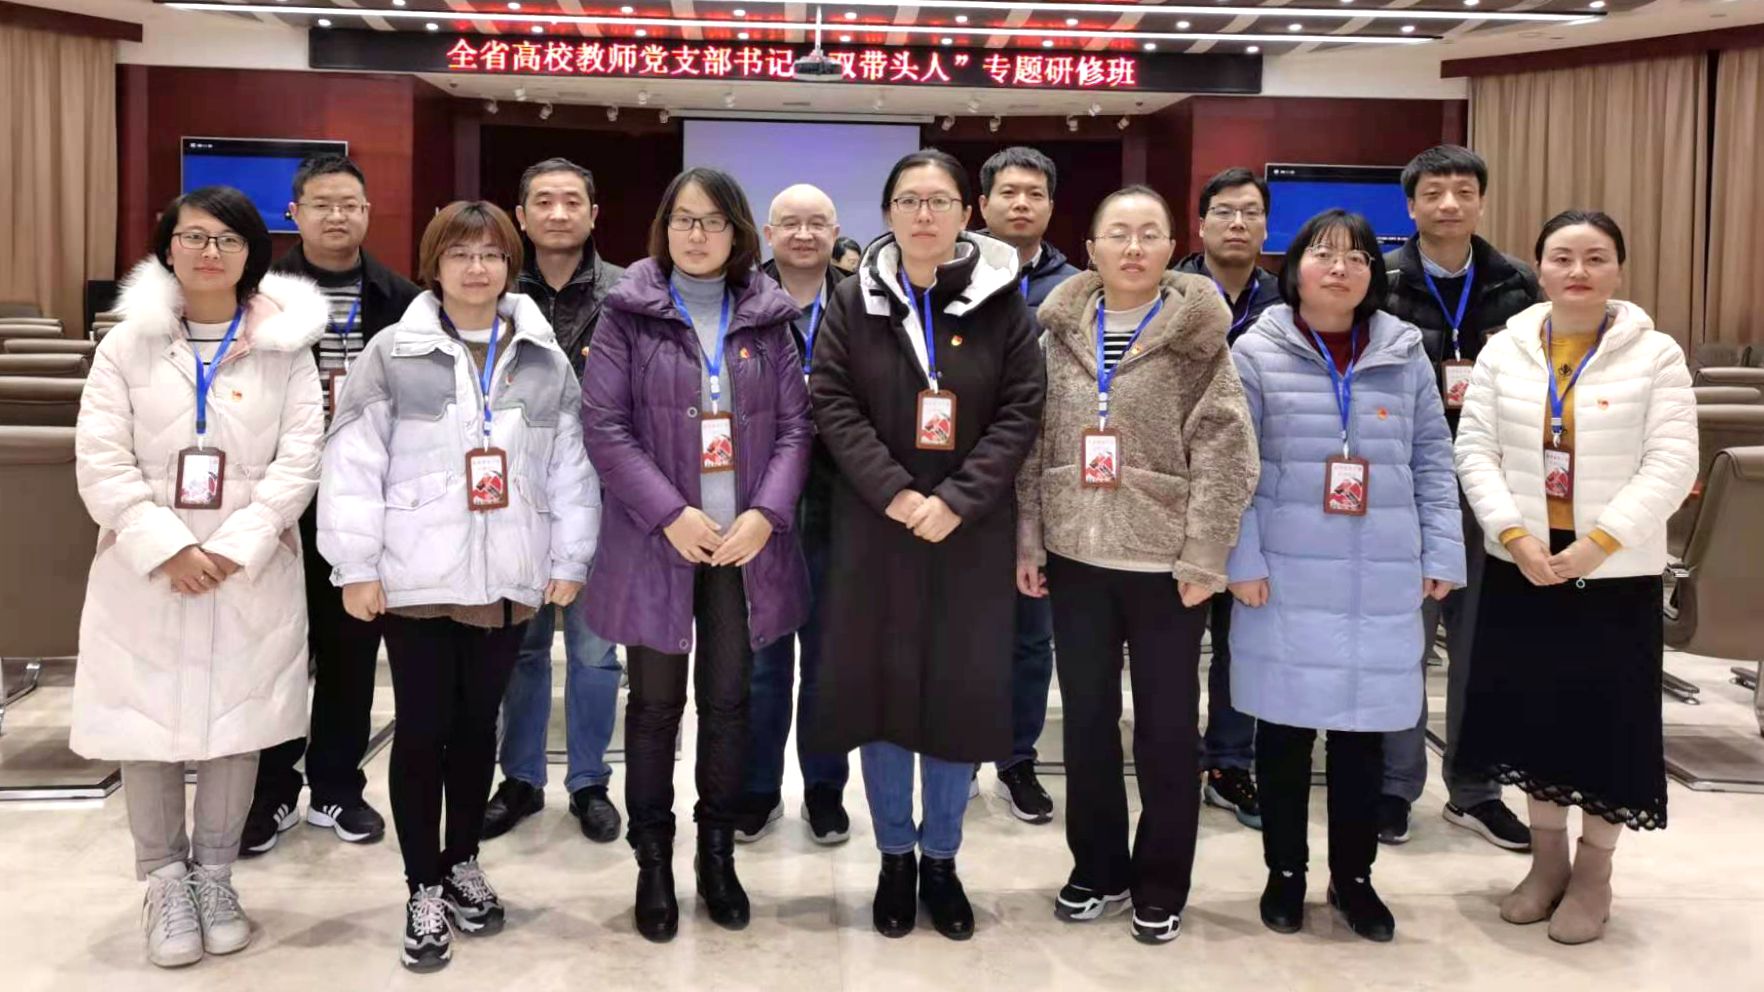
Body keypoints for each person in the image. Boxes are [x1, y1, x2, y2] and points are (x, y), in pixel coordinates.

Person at [319, 200, 598, 972]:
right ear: (433, 265)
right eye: (460, 254)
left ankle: (462, 860)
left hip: (506, 574)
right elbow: (351, 464)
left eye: (491, 254)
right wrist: (356, 566)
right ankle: (422, 887)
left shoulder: (544, 357)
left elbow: (570, 468)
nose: (477, 268)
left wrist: (570, 558)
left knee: (479, 731)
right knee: (422, 729)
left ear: (510, 265)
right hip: (414, 575)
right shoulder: (391, 352)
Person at [72, 186, 326, 967]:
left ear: (253, 253)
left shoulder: (286, 347)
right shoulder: (126, 345)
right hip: (146, 567)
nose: (210, 252)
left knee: (236, 724)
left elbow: (300, 461)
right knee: (144, 723)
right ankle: (163, 881)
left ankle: (215, 876)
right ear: (168, 247)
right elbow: (101, 459)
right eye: (194, 237)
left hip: (247, 566)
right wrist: (168, 548)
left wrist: (237, 546)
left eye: (228, 239)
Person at [809, 149, 1045, 940]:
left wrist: (958, 500)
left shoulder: (1004, 302)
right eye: (909, 200)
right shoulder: (854, 299)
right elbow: (832, 402)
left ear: (965, 215)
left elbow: (1022, 410)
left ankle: (942, 859)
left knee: (957, 695)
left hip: (970, 537)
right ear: (887, 213)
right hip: (875, 529)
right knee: (881, 696)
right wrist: (899, 493)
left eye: (939, 201)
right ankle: (895, 859)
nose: (923, 214)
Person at [1016, 185, 1258, 943]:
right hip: (1075, 556)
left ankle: (1161, 880)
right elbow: (1032, 444)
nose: (1132, 247)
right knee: (1087, 723)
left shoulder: (1198, 339)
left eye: (1148, 233)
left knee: (1166, 729)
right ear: (1090, 249)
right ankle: (1097, 868)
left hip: (1166, 567)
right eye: (1117, 233)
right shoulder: (1056, 335)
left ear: (1170, 249)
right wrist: (1029, 537)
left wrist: (1206, 554)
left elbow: (1227, 452)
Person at [580, 168, 812, 943]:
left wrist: (765, 514)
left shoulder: (768, 318)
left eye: (712, 221)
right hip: (659, 543)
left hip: (742, 548)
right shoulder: (628, 314)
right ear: (664, 228)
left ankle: (718, 857)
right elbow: (605, 427)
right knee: (652, 709)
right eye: (683, 219)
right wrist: (669, 513)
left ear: (737, 231)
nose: (697, 234)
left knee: (729, 703)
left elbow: (796, 429)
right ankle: (653, 862)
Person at [1453, 210, 1696, 946]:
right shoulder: (1506, 350)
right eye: (1562, 257)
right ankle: (1547, 862)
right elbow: (1475, 450)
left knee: (1605, 729)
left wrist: (1598, 545)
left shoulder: (1655, 354)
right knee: (1533, 720)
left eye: (1595, 257)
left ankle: (1594, 872)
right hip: (1523, 568)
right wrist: (1514, 536)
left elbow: (1671, 463)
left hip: (1612, 576)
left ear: (1618, 268)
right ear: (1539, 268)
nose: (1578, 271)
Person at [1226, 208, 1465, 944]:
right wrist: (1242, 559)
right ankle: (1285, 872)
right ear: (1294, 267)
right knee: (1284, 730)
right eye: (1324, 255)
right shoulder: (1254, 351)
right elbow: (1233, 469)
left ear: (1373, 274)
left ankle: (1354, 878)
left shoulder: (1403, 350)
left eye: (1357, 257)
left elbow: (1433, 459)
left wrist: (1442, 551)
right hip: (1284, 571)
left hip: (1381, 571)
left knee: (1364, 735)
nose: (1341, 268)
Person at [242, 154, 420, 858]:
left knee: (351, 651)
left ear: (368, 213)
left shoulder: (402, 299)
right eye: (321, 203)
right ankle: (270, 789)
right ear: (295, 213)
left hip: (363, 500)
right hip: (277, 497)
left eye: (349, 204)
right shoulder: (260, 297)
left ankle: (337, 787)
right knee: (277, 651)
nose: (337, 215)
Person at [1378, 145, 1542, 850]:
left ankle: (1476, 791)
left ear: (1481, 201)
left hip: (1494, 488)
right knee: (1401, 645)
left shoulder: (1518, 284)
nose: (1449, 204)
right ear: (1411, 205)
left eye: (1463, 191)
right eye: (1434, 192)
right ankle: (1394, 786)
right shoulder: (1381, 279)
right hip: (1406, 487)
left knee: (1482, 648)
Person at [484, 157, 628, 845]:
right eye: (543, 201)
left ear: (594, 214)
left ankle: (590, 781)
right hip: (515, 494)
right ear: (521, 215)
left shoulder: (630, 292)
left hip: (605, 494)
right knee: (522, 647)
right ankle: (520, 778)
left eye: (573, 201)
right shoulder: (494, 291)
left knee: (597, 654)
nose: (559, 213)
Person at [733, 183, 853, 845]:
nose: (804, 234)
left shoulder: (864, 302)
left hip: (845, 501)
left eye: (817, 223)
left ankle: (825, 789)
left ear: (835, 231)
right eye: (791, 223)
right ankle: (758, 789)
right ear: (768, 232)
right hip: (760, 503)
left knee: (831, 660)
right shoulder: (741, 301)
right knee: (764, 660)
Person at [1173, 166, 1283, 831]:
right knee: (1174, 639)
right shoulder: (1169, 292)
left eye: (1250, 212)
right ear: (1201, 224)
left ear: (1266, 226)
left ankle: (1230, 762)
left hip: (1259, 490)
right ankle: (1174, 754)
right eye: (1224, 211)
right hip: (1175, 491)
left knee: (1242, 639)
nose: (1237, 223)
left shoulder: (1287, 301)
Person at [974, 144, 1080, 824]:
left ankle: (1017, 760)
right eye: (1008, 192)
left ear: (1050, 205)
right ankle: (954, 753)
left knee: (1031, 638)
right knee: (957, 632)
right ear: (982, 204)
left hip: (1042, 487)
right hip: (961, 483)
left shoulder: (1076, 289)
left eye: (1034, 193)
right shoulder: (948, 272)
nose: (1021, 204)